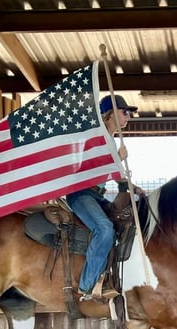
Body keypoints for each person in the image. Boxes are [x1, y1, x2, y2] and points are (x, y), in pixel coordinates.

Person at [67, 94, 139, 302]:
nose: (128, 117)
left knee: (121, 223)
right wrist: (119, 157)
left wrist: (134, 188)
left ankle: (107, 275)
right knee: (105, 229)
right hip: (80, 193)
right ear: (110, 114)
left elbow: (116, 176)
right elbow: (96, 166)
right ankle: (86, 287)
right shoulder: (97, 136)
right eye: (125, 112)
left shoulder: (109, 139)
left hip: (95, 195)